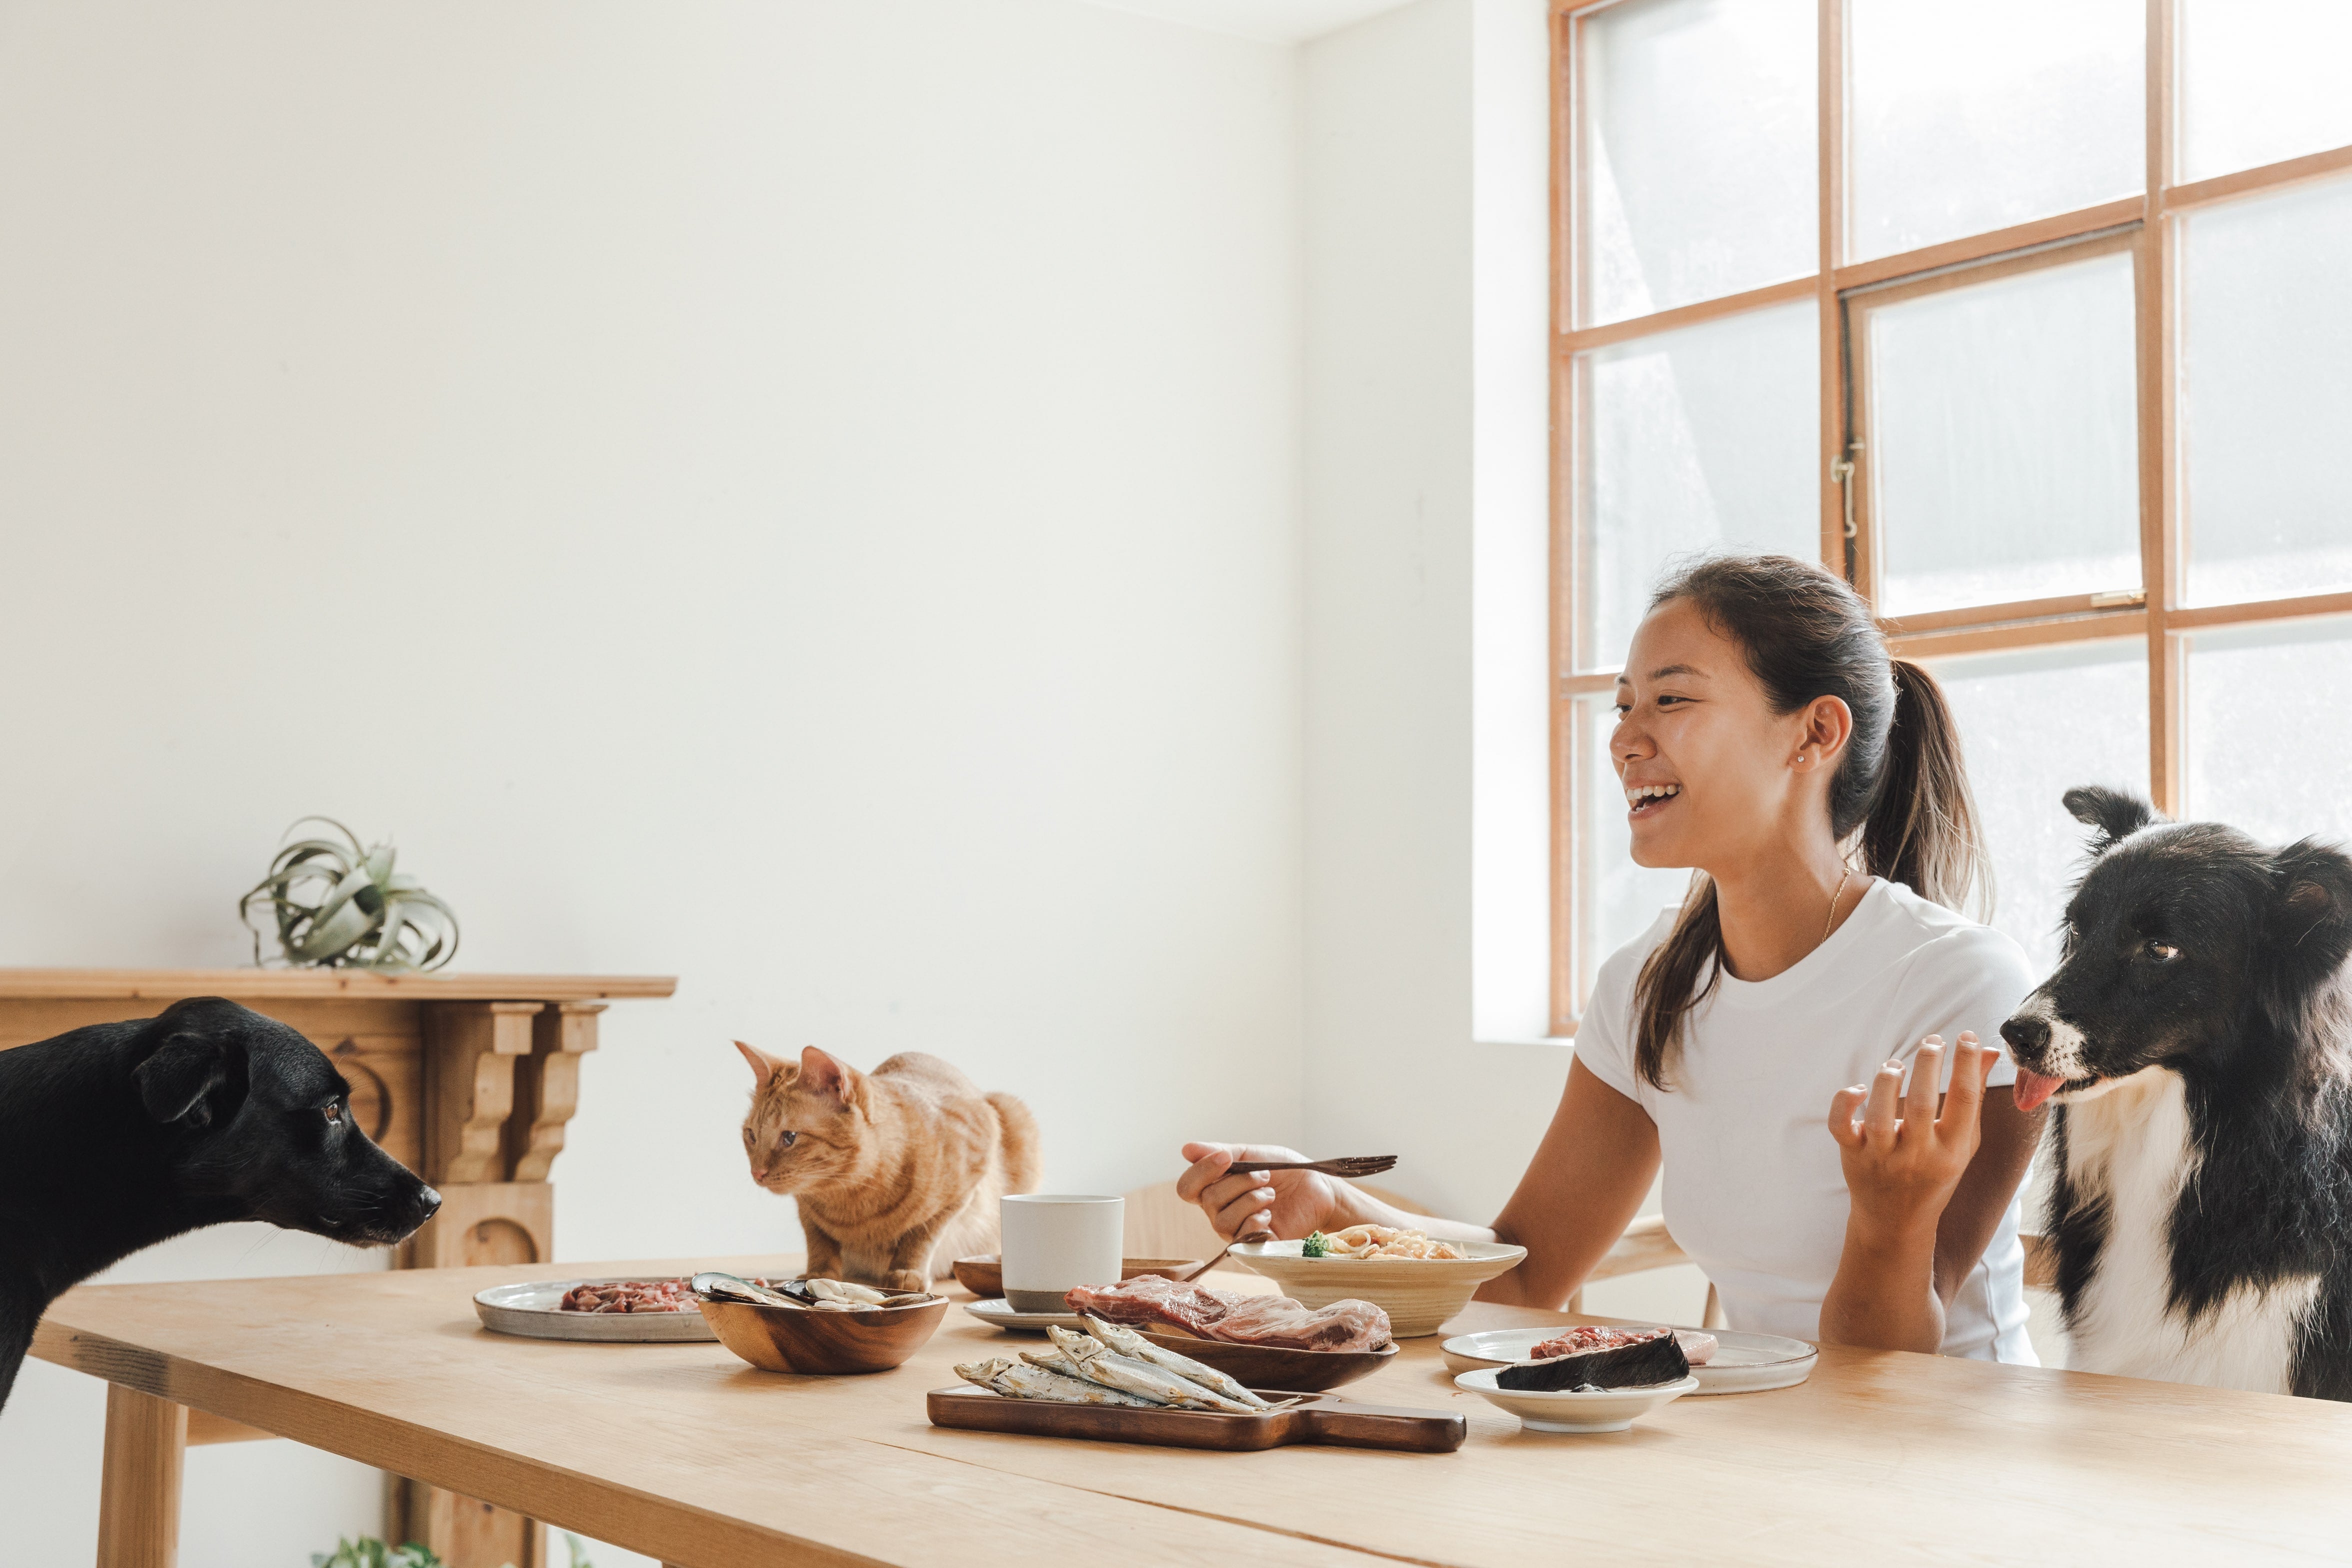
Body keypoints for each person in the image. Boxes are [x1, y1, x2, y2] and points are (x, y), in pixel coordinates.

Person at [1180, 555, 2042, 1359]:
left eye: (1671, 700)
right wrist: (1334, 1209)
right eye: (1624, 705)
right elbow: (1526, 1274)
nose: (1625, 739)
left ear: (1814, 733)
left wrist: (1891, 1224)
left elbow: (1886, 1367)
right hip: (1769, 1432)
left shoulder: (1960, 987)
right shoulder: (1648, 983)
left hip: (1947, 1443)